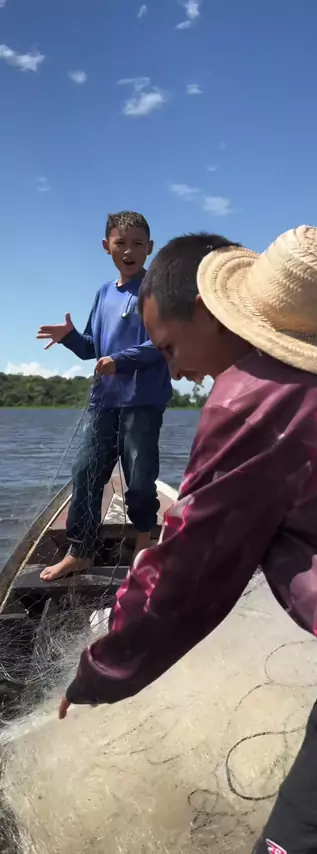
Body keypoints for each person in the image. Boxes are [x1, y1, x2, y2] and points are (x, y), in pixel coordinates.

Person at [60, 226, 317, 853]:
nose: (178, 373)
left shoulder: (257, 397)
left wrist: (99, 672)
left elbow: (187, 576)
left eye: (169, 348)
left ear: (208, 311)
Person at [37, 210, 171, 581]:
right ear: (105, 246)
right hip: (103, 403)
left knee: (140, 480)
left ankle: (143, 542)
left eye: (138, 243)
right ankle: (80, 551)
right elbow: (92, 348)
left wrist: (120, 361)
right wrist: (69, 337)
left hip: (142, 402)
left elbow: (161, 343)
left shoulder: (157, 290)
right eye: (121, 243)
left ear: (150, 248)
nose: (129, 250)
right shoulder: (102, 293)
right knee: (85, 473)